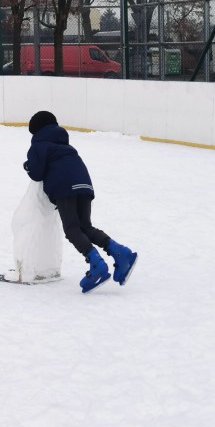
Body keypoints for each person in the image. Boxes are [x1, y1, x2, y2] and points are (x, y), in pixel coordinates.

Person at [24, 110, 137, 293]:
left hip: (64, 186)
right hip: (84, 182)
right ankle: (121, 253)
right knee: (85, 227)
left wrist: (28, 165)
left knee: (72, 229)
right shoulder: (64, 142)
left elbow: (37, 173)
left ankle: (96, 264)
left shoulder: (39, 144)